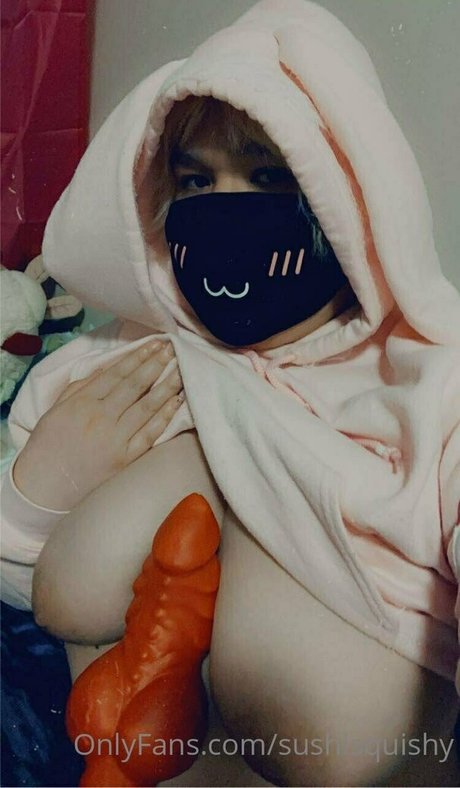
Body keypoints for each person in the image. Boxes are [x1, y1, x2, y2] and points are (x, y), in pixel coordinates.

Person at [1, 1, 460, 785]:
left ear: (346, 194)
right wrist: (40, 482)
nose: (226, 208)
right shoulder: (129, 364)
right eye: (196, 180)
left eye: (270, 175)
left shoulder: (428, 380)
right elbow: (20, 583)